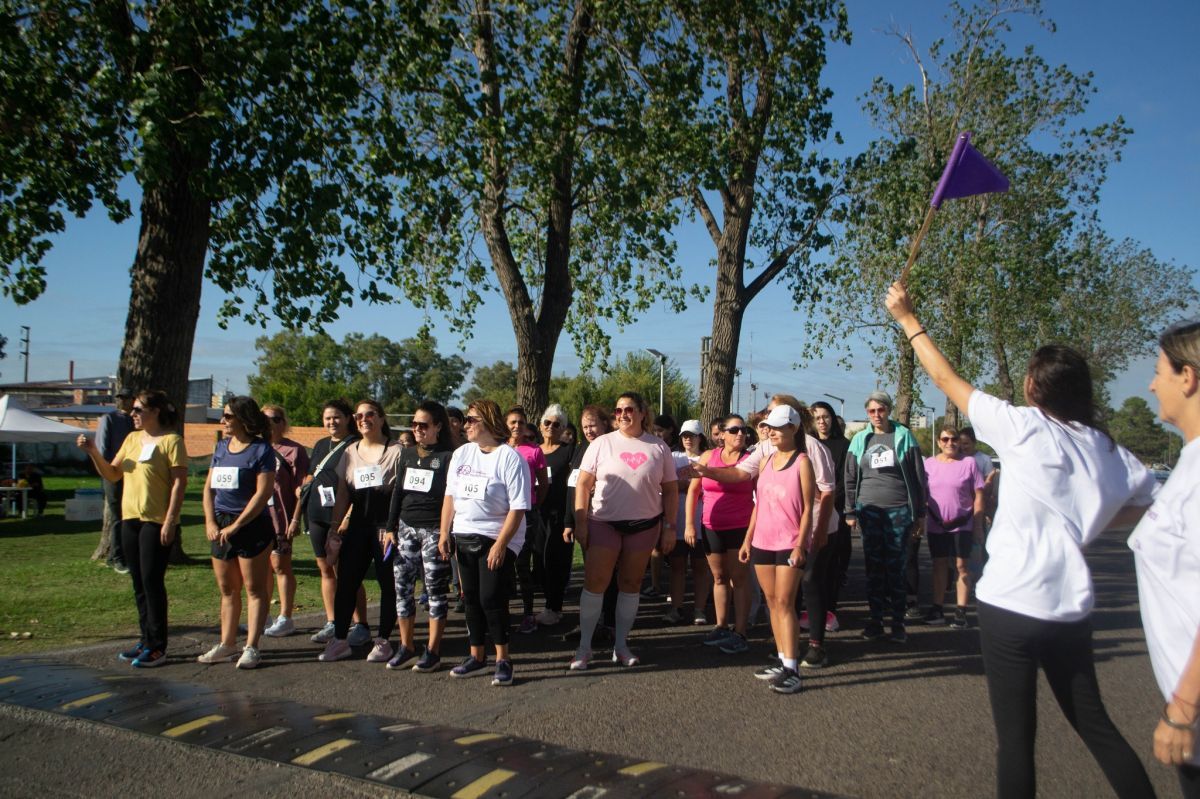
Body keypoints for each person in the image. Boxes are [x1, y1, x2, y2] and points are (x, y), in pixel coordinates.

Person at [887, 280, 1157, 799]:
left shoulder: (1022, 426)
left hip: (1010, 602)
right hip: (1070, 607)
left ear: (1035, 388)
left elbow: (944, 376)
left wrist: (906, 318)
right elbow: (1147, 503)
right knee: (1096, 727)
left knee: (1016, 741)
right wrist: (1091, 525)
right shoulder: (1105, 447)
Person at [694, 395, 835, 665]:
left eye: (775, 418)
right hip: (770, 535)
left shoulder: (810, 452)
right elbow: (743, 479)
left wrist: (816, 534)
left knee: (809, 586)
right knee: (778, 601)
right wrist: (707, 471)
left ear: (793, 424)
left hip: (810, 529)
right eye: (768, 418)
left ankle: (814, 646)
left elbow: (825, 493)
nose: (768, 426)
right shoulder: (764, 453)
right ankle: (785, 653)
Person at [1129, 319, 1200, 797]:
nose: (1152, 384)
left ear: (1188, 377)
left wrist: (1182, 710)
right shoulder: (1189, 459)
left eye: (1158, 372)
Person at [77, 390, 187, 668]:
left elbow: (178, 483)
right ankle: (145, 638)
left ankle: (158, 646)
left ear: (156, 412)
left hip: (155, 520)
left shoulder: (172, 441)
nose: (133, 414)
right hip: (130, 519)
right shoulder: (132, 439)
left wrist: (170, 519)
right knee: (138, 582)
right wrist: (93, 453)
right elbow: (113, 473)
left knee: (152, 582)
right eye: (133, 410)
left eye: (139, 409)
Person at [570, 392, 678, 669]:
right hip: (604, 523)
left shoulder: (658, 447)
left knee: (630, 585)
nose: (622, 415)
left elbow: (670, 490)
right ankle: (584, 648)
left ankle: (621, 645)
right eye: (617, 411)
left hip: (644, 526)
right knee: (596, 584)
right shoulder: (601, 444)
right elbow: (582, 485)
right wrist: (581, 522)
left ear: (643, 412)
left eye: (628, 409)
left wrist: (669, 527)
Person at [438, 399, 530, 686]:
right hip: (464, 533)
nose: (465, 425)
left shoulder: (509, 458)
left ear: (488, 422)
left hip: (497, 536)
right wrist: (444, 533)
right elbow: (450, 496)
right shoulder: (462, 454)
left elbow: (518, 508)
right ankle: (476, 655)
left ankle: (504, 659)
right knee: (471, 599)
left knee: (492, 598)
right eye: (465, 419)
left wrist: (501, 544)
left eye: (471, 419)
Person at [738, 405, 815, 694]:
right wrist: (748, 540)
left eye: (778, 427)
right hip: (763, 542)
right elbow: (759, 504)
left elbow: (808, 508)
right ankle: (783, 661)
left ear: (793, 428)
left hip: (788, 543)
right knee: (772, 602)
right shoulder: (766, 461)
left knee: (785, 603)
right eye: (769, 426)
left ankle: (793, 669)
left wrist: (800, 544)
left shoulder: (802, 462)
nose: (771, 431)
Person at [320, 400, 404, 663]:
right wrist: (335, 527)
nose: (363, 419)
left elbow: (401, 494)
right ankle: (340, 640)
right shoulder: (350, 452)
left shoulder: (397, 451)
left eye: (370, 415)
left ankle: (384, 641)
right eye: (359, 416)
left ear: (381, 418)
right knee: (347, 582)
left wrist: (392, 527)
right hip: (357, 524)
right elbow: (344, 492)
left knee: (387, 583)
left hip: (385, 526)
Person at [199, 396, 277, 669]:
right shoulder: (220, 447)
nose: (223, 421)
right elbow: (209, 489)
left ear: (244, 419)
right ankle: (227, 643)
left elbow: (263, 493)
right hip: (221, 523)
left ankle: (252, 646)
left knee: (254, 589)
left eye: (228, 416)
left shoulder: (261, 450)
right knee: (227, 588)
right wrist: (211, 521)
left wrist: (238, 525)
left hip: (251, 525)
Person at [844, 390, 927, 643]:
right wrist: (850, 511)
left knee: (897, 567)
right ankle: (875, 620)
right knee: (874, 567)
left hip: (899, 510)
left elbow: (919, 477)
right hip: (869, 510)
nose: (877, 415)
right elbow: (849, 478)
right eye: (872, 411)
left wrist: (920, 514)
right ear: (867, 413)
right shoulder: (860, 439)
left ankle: (898, 623)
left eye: (881, 410)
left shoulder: (904, 436)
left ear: (889, 410)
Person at [385, 400, 456, 672]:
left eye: (423, 425)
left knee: (435, 589)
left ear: (438, 426)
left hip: (434, 530)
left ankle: (433, 650)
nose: (417, 429)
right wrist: (391, 528)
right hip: (405, 528)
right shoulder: (406, 454)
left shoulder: (449, 457)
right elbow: (397, 493)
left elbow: (451, 497)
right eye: (414, 424)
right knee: (402, 588)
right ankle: (406, 646)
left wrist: (445, 533)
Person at [296, 400, 369, 646]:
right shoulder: (320, 445)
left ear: (348, 418)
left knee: (348, 573)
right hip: (316, 514)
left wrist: (347, 517)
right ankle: (333, 621)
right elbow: (310, 474)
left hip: (342, 517)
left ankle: (361, 624)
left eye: (336, 417)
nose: (331, 422)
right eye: (327, 418)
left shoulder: (356, 446)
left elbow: (357, 486)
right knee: (326, 569)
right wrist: (303, 490)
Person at [687, 414, 754, 651]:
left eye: (744, 430)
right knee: (719, 578)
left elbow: (761, 497)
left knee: (739, 579)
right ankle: (721, 625)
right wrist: (689, 524)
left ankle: (741, 632)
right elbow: (694, 492)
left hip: (740, 526)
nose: (740, 434)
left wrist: (751, 534)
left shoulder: (751, 460)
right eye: (734, 430)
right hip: (711, 526)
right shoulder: (708, 457)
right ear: (722, 434)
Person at [563, 405, 618, 642]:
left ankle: (610, 623)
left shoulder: (612, 447)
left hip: (606, 519)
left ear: (605, 423)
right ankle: (590, 624)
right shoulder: (580, 449)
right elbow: (573, 487)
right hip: (582, 520)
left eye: (593, 425)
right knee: (590, 575)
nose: (588, 430)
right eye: (584, 426)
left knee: (608, 575)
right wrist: (570, 522)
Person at [921, 425, 983, 629]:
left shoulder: (969, 463)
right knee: (939, 565)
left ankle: (961, 611)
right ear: (939, 442)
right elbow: (922, 494)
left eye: (954, 439)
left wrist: (978, 525)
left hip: (962, 525)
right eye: (945, 439)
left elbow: (979, 496)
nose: (950, 443)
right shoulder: (929, 464)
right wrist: (920, 520)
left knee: (961, 567)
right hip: (936, 525)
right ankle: (937, 608)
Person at [261, 405, 310, 638]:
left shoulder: (294, 451)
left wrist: (295, 518)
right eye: (266, 419)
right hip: (257, 518)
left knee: (281, 566)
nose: (271, 423)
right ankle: (262, 616)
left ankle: (285, 617)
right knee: (260, 569)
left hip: (280, 518)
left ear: (283, 423)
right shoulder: (256, 448)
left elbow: (301, 488)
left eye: (276, 419)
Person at [665, 419, 712, 626]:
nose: (687, 439)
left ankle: (699, 609)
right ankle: (676, 607)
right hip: (677, 520)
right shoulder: (673, 457)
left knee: (701, 567)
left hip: (701, 520)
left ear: (700, 437)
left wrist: (684, 484)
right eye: (684, 435)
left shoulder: (708, 458)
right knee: (677, 566)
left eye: (692, 435)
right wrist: (682, 484)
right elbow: (665, 484)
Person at [508, 409, 549, 634]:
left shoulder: (534, 451)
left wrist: (534, 504)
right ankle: (501, 613)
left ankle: (527, 613)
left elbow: (543, 484)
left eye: (521, 423)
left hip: (526, 512)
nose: (517, 426)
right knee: (500, 566)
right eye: (513, 422)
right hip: (500, 513)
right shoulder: (497, 449)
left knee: (522, 564)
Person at [810, 401, 850, 634]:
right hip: (810, 512)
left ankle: (829, 611)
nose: (822, 422)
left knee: (832, 565)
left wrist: (829, 503)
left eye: (826, 417)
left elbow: (846, 479)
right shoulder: (807, 445)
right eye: (817, 418)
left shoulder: (843, 445)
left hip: (836, 510)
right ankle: (811, 611)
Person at [536, 404, 576, 626]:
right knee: (539, 560)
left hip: (560, 514)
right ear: (541, 426)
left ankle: (554, 607)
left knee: (556, 561)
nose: (551, 427)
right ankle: (546, 604)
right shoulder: (533, 451)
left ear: (563, 429)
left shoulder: (569, 451)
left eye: (557, 424)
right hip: (536, 513)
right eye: (547, 423)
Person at [96, 388, 135, 573]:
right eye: (120, 398)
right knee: (117, 516)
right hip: (114, 474)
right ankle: (118, 557)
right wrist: (108, 471)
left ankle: (120, 555)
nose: (123, 401)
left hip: (133, 475)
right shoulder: (109, 419)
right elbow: (102, 449)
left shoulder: (135, 420)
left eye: (126, 398)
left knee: (129, 516)